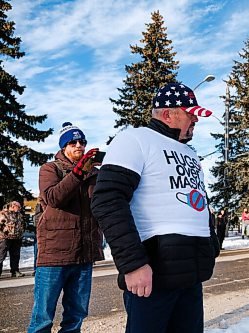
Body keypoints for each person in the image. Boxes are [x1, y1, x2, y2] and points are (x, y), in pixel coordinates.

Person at [91, 82, 220, 333]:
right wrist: (132, 264)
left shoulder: (189, 153)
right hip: (153, 274)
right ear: (168, 113)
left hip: (191, 275)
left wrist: (211, 243)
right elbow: (107, 199)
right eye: (189, 113)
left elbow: (197, 203)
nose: (195, 119)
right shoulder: (135, 139)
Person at [28, 123, 104, 332]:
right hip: (54, 255)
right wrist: (79, 173)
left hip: (84, 254)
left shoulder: (94, 174)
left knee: (76, 316)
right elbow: (54, 198)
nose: (79, 146)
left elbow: (104, 203)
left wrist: (110, 168)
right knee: (42, 317)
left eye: (82, 142)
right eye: (73, 142)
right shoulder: (50, 168)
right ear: (64, 147)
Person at [0, 201, 25, 278]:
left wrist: (21, 233)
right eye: (18, 206)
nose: (19, 208)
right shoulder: (4, 213)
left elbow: (22, 225)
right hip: (5, 238)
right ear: (13, 206)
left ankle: (15, 271)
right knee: (1, 255)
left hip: (17, 238)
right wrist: (3, 232)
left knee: (15, 255)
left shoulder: (19, 215)